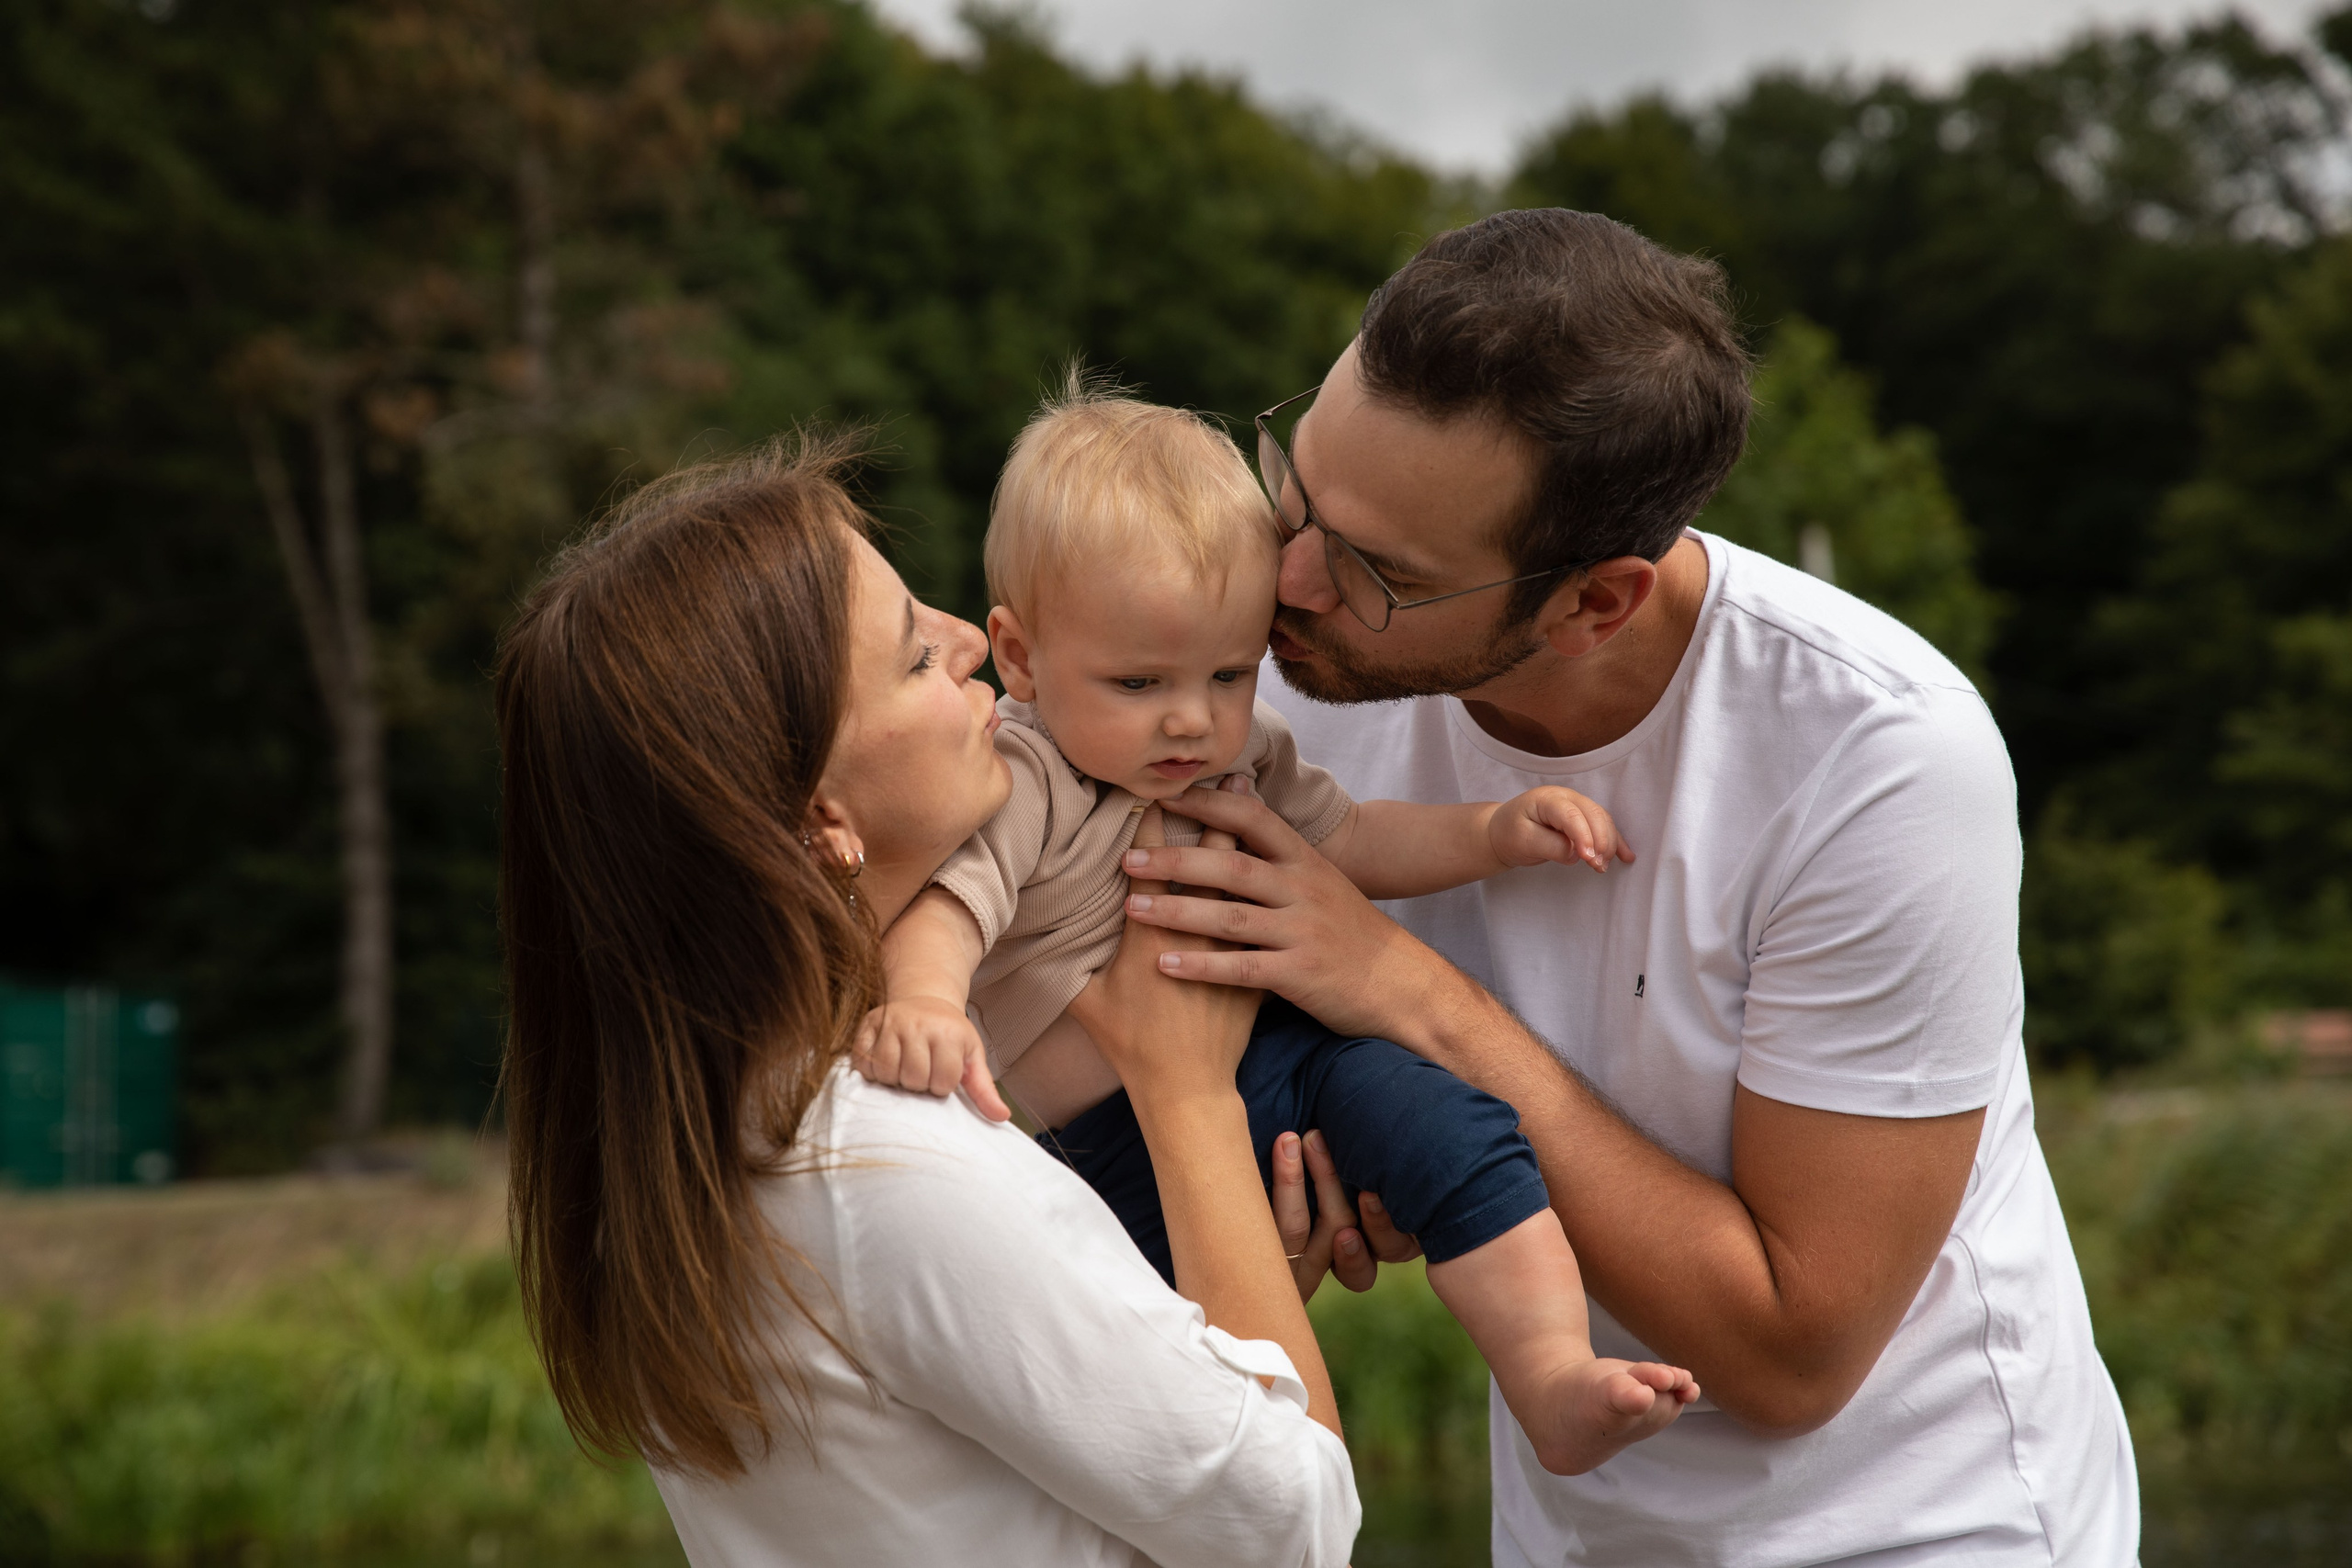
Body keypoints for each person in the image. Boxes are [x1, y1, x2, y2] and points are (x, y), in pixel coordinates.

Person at [1114, 209, 2141, 1566]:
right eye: (1291, 488)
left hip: (1923, 1525)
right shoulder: (1289, 685)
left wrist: (1403, 991)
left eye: (1375, 571)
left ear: (1593, 603)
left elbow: (1795, 1350)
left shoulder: (1878, 757)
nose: (1288, 579)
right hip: (1572, 1527)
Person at [493, 438, 1360, 1568]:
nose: (968, 641)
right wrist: (1188, 1096)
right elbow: (1297, 1519)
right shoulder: (890, 1167)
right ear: (821, 824)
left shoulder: (714, 1138)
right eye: (912, 656)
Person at [855, 382, 1697, 1475]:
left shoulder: (1236, 753)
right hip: (1095, 1152)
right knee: (1144, 1365)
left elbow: (1349, 839)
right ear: (1019, 658)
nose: (1190, 717)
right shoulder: (1021, 778)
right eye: (1138, 681)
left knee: (1461, 1134)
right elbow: (948, 910)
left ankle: (1548, 1370)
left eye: (1228, 671)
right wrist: (922, 1001)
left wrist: (1491, 832)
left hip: (1284, 1065)